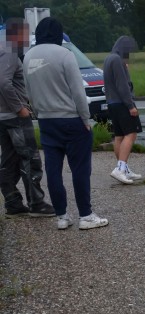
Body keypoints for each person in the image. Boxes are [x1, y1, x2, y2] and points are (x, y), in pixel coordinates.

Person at [22, 17, 108, 230]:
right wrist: (86, 118)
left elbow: (28, 92)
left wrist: (39, 111)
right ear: (59, 35)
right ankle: (85, 216)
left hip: (46, 121)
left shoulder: (28, 56)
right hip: (71, 120)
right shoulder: (65, 55)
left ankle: (62, 216)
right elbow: (78, 91)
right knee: (80, 169)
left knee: (53, 170)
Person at [0, 18, 55, 218]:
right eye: (25, 34)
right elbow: (4, 83)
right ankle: (37, 203)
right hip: (15, 117)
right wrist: (20, 108)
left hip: (2, 117)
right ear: (16, 34)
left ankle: (13, 203)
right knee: (29, 159)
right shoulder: (10, 53)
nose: (26, 39)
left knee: (8, 160)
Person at [103, 35, 142, 185]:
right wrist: (131, 105)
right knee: (131, 134)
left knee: (119, 136)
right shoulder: (117, 60)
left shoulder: (109, 59)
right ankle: (120, 168)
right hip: (122, 103)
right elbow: (122, 85)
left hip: (112, 103)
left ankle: (124, 168)